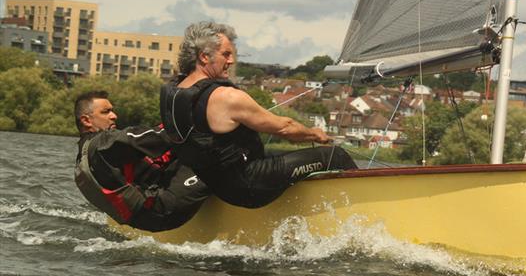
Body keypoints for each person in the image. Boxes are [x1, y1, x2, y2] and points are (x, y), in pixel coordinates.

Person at [160, 21, 357, 209]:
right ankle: (363, 211)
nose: (232, 60)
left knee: (286, 158)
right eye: (226, 54)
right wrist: (314, 134)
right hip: (250, 186)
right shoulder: (227, 97)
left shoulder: (174, 92)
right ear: (204, 57)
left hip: (221, 187)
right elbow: (285, 128)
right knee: (334, 155)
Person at [74, 90, 210, 231]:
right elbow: (156, 137)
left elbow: (150, 164)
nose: (114, 116)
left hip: (143, 220)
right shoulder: (104, 144)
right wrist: (198, 118)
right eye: (105, 112)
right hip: (162, 210)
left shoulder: (85, 155)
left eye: (112, 111)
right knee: (214, 157)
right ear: (86, 121)